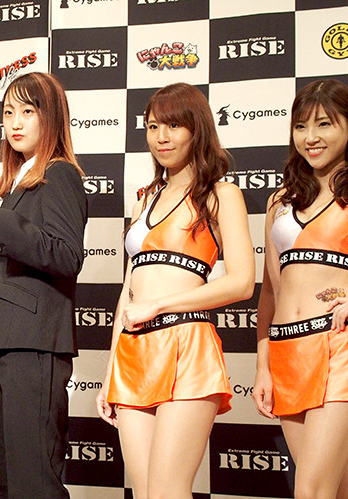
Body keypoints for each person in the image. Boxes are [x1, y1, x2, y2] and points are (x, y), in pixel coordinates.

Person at [95, 83, 254, 499]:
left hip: (187, 345)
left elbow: (241, 282)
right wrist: (110, 371)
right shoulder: (144, 200)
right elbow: (129, 291)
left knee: (168, 491)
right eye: (152, 127)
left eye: (173, 125)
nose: (161, 137)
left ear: (196, 129)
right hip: (133, 353)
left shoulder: (221, 194)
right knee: (145, 492)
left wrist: (159, 305)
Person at [0, 72, 87, 499]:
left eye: (27, 111)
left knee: (33, 482)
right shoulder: (18, 178)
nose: (15, 122)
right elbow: (15, 267)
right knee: (13, 482)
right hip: (7, 340)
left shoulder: (60, 174)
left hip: (35, 343)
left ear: (50, 116)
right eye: (8, 112)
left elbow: (67, 256)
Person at [252, 79, 348, 498]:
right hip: (287, 352)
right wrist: (263, 365)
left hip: (338, 346)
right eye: (301, 126)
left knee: (311, 490)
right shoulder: (281, 199)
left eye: (324, 124)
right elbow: (270, 292)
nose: (311, 137)